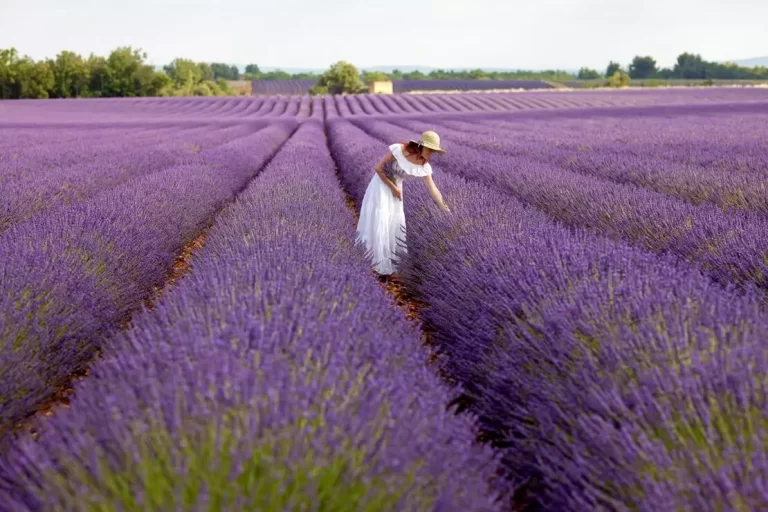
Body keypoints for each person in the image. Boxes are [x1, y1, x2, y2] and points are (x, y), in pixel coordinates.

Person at [356, 130, 450, 277]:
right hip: (381, 186)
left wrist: (443, 206)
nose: (431, 153)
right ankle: (372, 262)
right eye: (429, 149)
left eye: (433, 151)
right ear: (421, 146)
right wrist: (393, 188)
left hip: (396, 191)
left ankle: (386, 266)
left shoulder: (424, 166)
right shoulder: (400, 150)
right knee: (380, 220)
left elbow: (433, 188)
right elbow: (379, 169)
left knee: (392, 224)